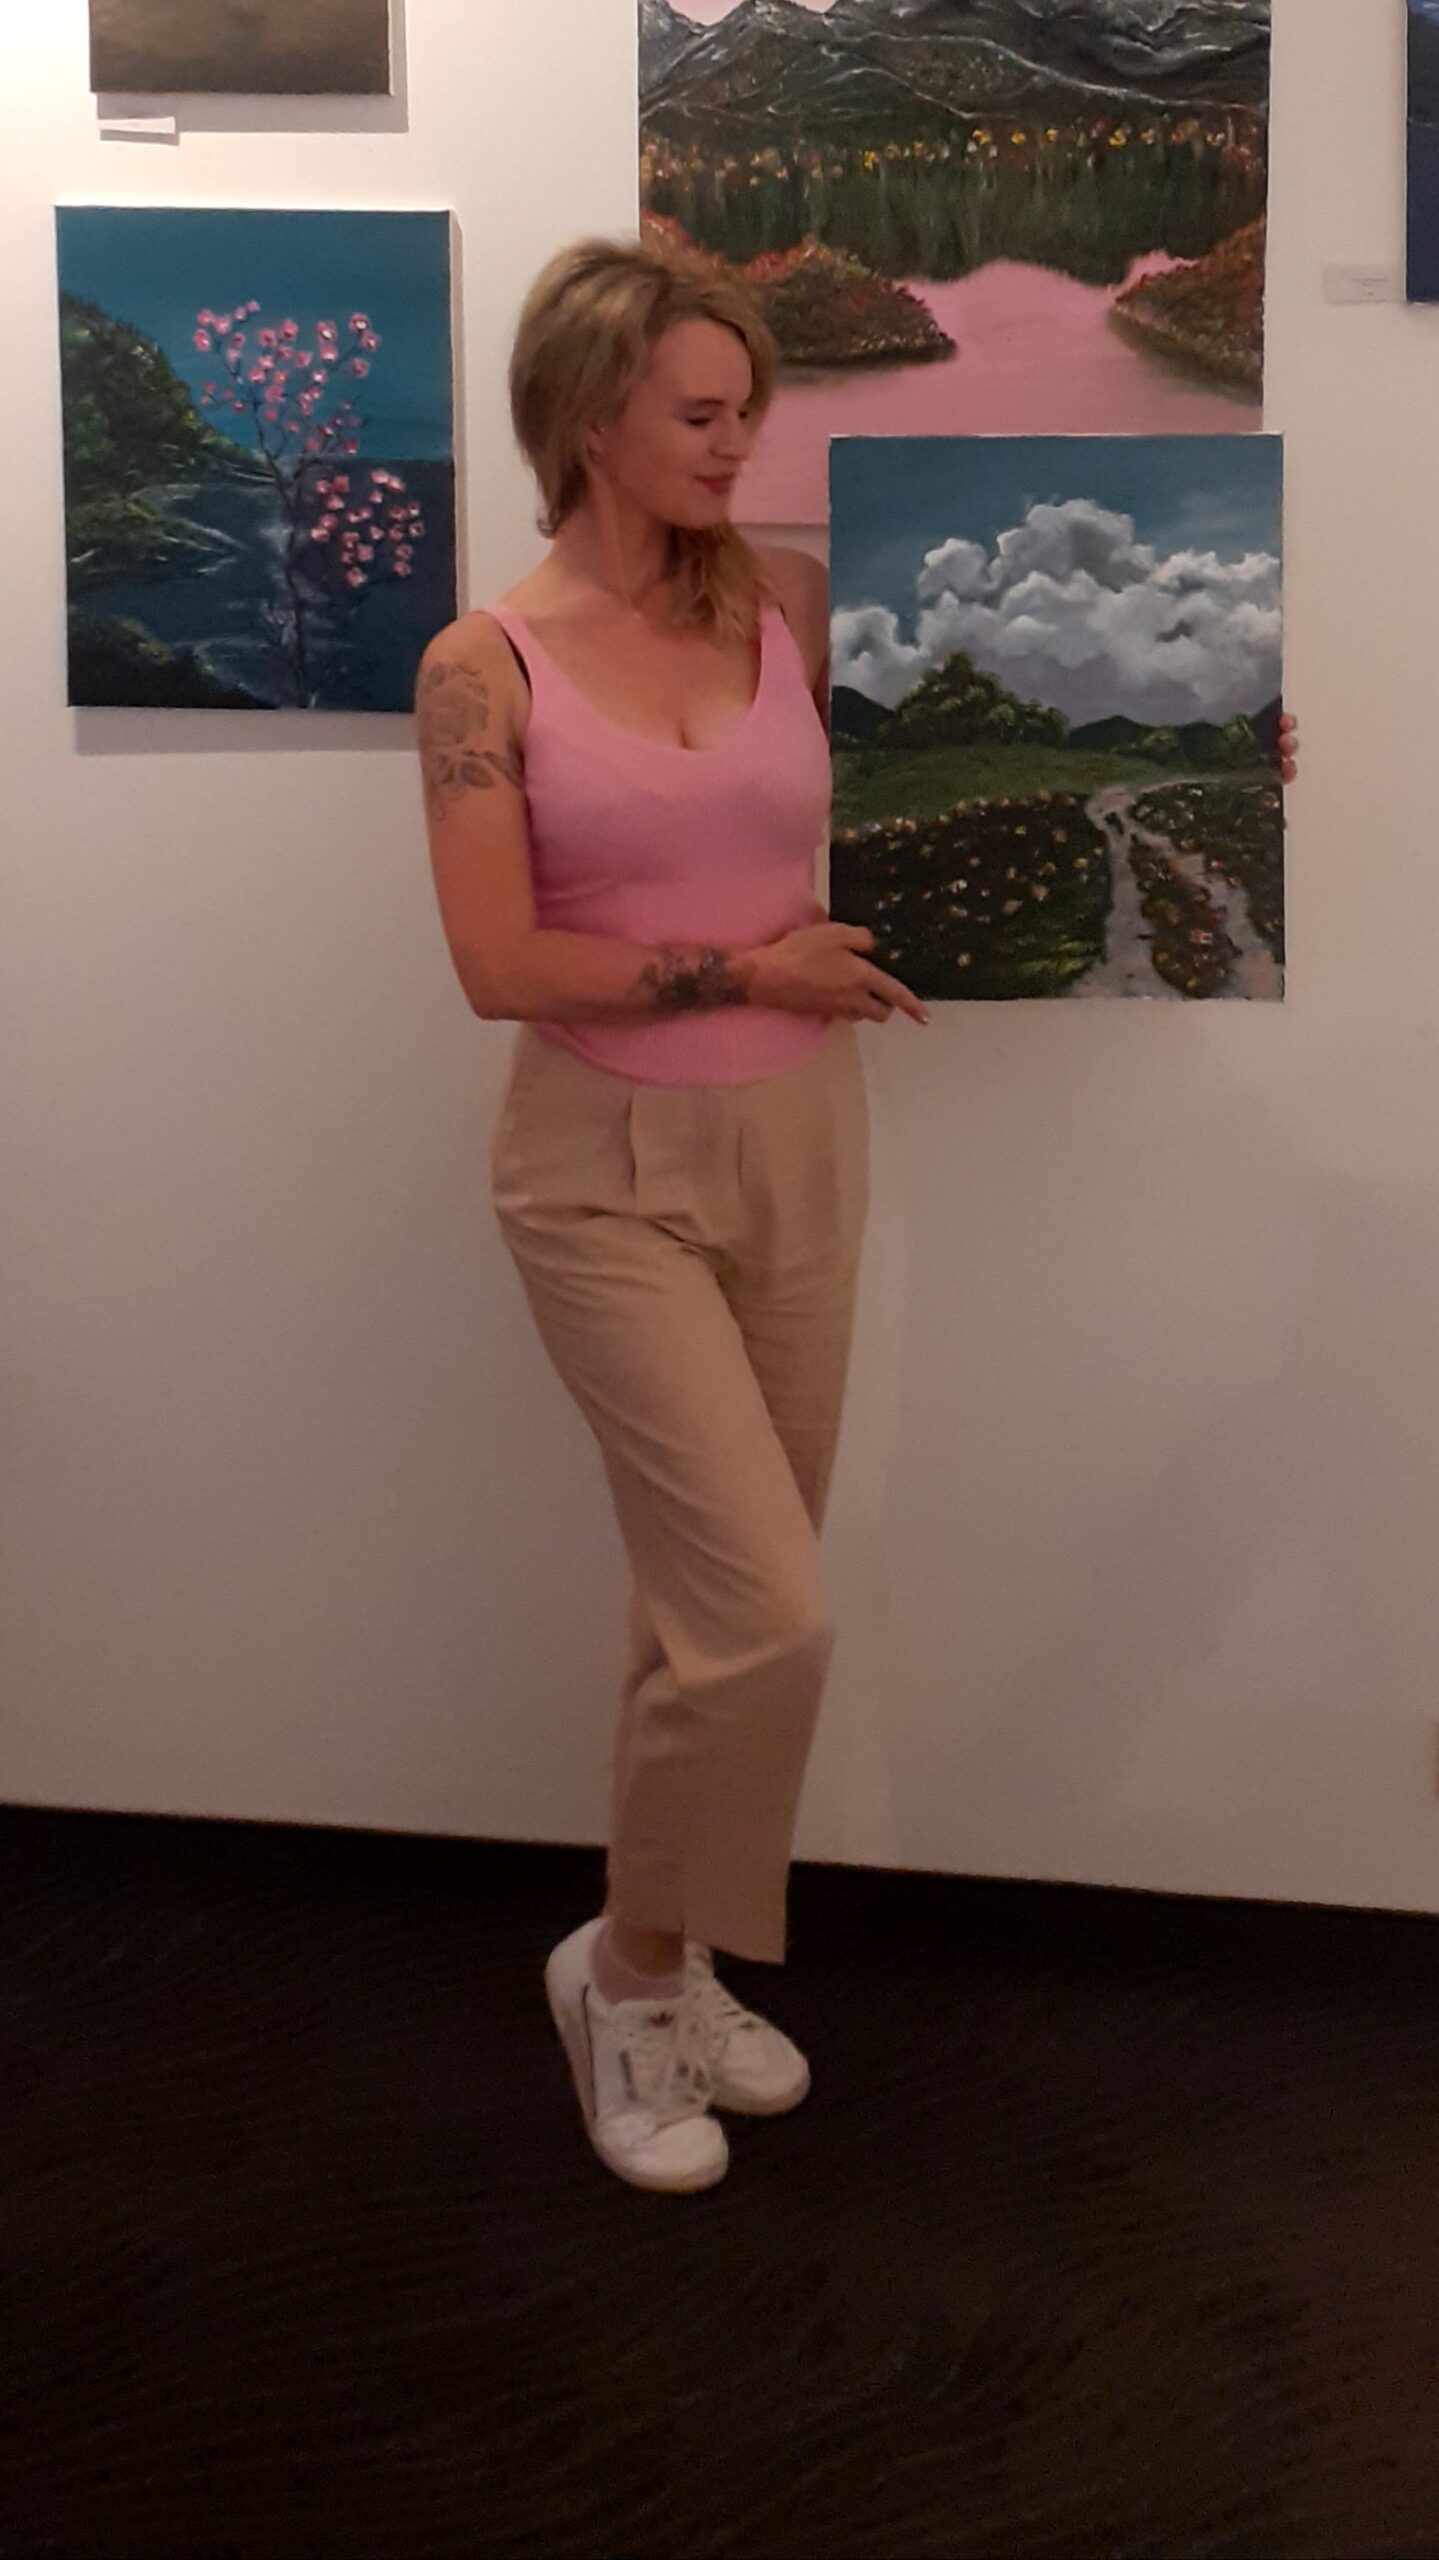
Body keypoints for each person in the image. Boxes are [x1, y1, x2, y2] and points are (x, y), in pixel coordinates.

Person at [417, 236, 1300, 2199]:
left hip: (804, 1143)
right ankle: (625, 1977)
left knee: (697, 1613)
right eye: (702, 412)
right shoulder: (485, 667)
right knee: (768, 1617)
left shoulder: (795, 607)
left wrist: (1226, 735)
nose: (742, 443)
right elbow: (496, 961)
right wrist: (753, 967)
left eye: (750, 408)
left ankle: (673, 1952)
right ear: (587, 415)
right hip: (599, 1170)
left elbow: (934, 769)